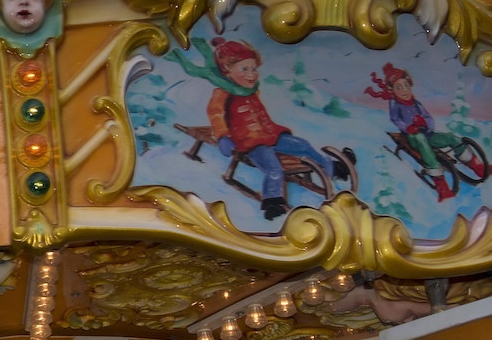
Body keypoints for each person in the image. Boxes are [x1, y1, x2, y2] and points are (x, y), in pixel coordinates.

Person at [170, 36, 350, 220]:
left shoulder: (250, 89)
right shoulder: (223, 93)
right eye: (244, 69)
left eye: (253, 69)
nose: (251, 74)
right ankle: (273, 201)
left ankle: (332, 168)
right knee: (274, 168)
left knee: (302, 144)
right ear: (227, 71)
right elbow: (216, 114)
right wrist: (223, 136)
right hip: (250, 143)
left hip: (271, 134)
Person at [365, 62, 486, 201]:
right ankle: (441, 184)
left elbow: (428, 118)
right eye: (399, 87)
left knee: (450, 138)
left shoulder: (415, 103)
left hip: (427, 134)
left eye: (406, 85)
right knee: (422, 142)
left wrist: (426, 124)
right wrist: (408, 128)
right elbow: (395, 119)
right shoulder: (395, 104)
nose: (404, 90)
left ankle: (477, 166)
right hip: (413, 137)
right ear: (393, 90)